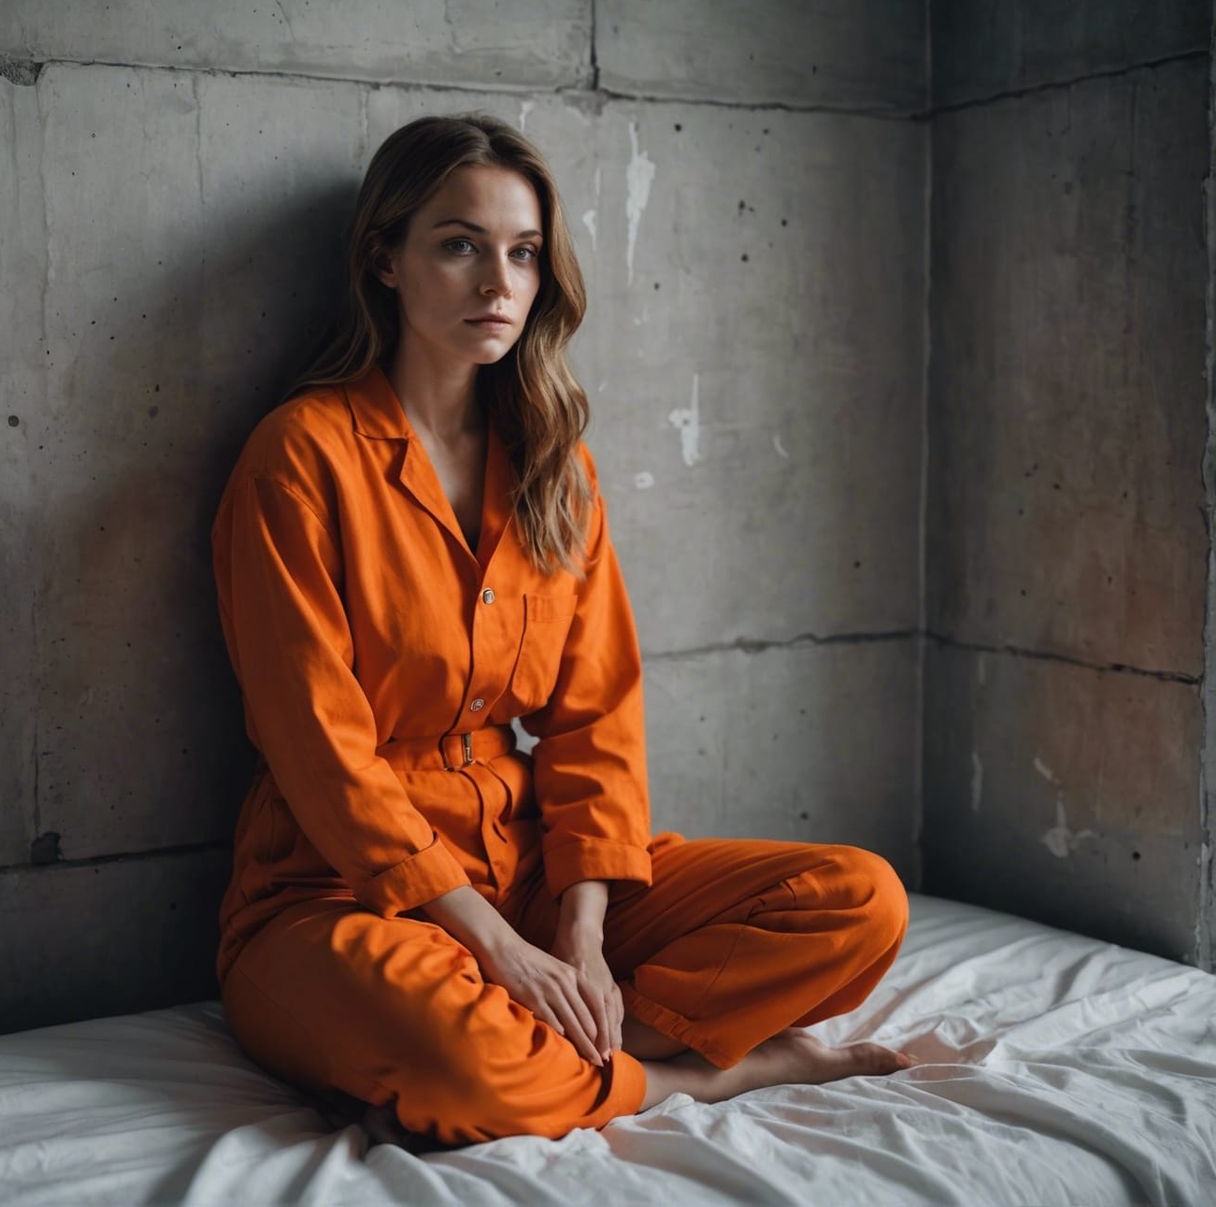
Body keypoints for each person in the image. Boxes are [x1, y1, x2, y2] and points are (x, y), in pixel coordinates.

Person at [208, 112, 915, 1148]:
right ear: (386, 259)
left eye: (524, 252)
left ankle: (579, 1044)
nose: (499, 282)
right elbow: (320, 751)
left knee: (860, 900)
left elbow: (597, 718)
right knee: (465, 1060)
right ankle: (703, 1074)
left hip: (531, 866)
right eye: (460, 245)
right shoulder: (300, 458)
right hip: (334, 895)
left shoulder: (553, 464)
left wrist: (579, 934)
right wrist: (496, 950)